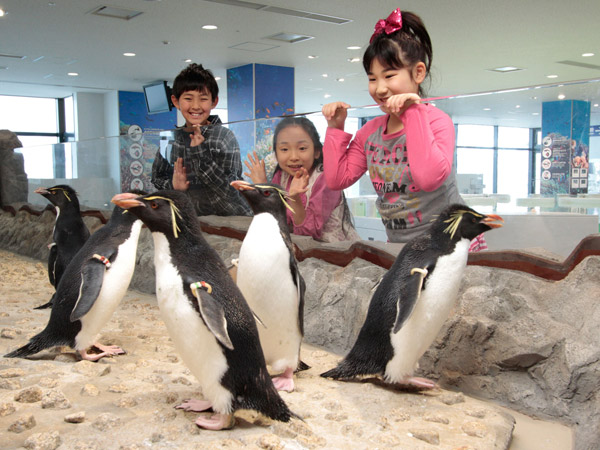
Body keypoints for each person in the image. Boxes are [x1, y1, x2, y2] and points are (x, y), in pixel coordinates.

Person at [321, 8, 485, 250]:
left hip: (454, 243)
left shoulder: (437, 122)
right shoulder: (370, 133)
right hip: (404, 246)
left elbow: (429, 179)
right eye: (372, 78)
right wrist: (335, 129)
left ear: (418, 72)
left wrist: (413, 111)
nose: (379, 88)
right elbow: (337, 179)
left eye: (389, 75)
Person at [151, 63, 251, 216]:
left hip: (229, 219)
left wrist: (200, 154)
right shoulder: (169, 138)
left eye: (203, 99)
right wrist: (173, 186)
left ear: (214, 101)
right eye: (188, 98)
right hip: (191, 219)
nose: (196, 106)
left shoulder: (224, 136)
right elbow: (157, 177)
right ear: (176, 101)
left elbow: (232, 190)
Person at [244, 116, 360, 243]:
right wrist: (262, 186)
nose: (293, 157)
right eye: (284, 149)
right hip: (298, 248)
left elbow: (309, 234)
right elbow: (274, 222)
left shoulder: (324, 179)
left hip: (331, 251)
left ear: (316, 151)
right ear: (276, 154)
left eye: (302, 148)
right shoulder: (282, 175)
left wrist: (295, 198)